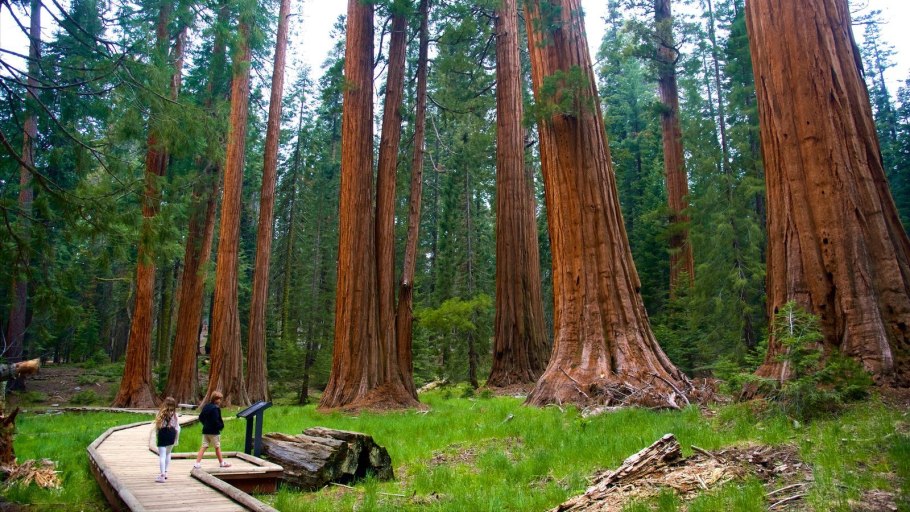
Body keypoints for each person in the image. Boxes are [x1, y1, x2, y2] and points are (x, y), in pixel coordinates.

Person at [194, 391, 230, 468]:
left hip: (205, 430)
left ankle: (197, 463)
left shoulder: (206, 406)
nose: (220, 401)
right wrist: (220, 427)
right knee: (217, 447)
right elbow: (216, 420)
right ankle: (222, 463)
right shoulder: (215, 408)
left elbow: (201, 417)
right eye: (219, 399)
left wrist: (205, 424)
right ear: (215, 399)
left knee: (203, 446)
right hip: (214, 432)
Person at [154, 397, 180, 483]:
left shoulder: (160, 414)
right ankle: (165, 472)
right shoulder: (175, 415)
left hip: (163, 433)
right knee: (168, 453)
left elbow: (158, 426)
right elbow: (177, 427)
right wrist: (176, 438)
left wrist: (157, 434)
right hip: (172, 433)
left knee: (162, 455)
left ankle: (162, 475)